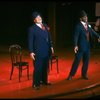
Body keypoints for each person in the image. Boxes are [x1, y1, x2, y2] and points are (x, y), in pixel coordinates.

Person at [67, 10, 100, 80]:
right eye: (84, 17)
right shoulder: (78, 26)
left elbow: (93, 32)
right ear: (80, 18)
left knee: (86, 62)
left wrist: (98, 36)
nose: (86, 17)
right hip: (80, 47)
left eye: (86, 16)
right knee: (77, 61)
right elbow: (75, 36)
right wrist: (75, 45)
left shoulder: (87, 25)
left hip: (87, 47)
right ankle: (71, 75)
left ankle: (84, 74)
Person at [28, 11, 54, 90]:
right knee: (38, 68)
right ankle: (36, 84)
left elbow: (49, 37)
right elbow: (30, 41)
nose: (39, 18)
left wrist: (51, 46)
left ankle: (44, 81)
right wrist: (31, 52)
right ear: (34, 20)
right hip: (38, 52)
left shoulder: (45, 26)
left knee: (45, 67)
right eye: (37, 17)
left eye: (40, 17)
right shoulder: (32, 29)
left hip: (46, 50)